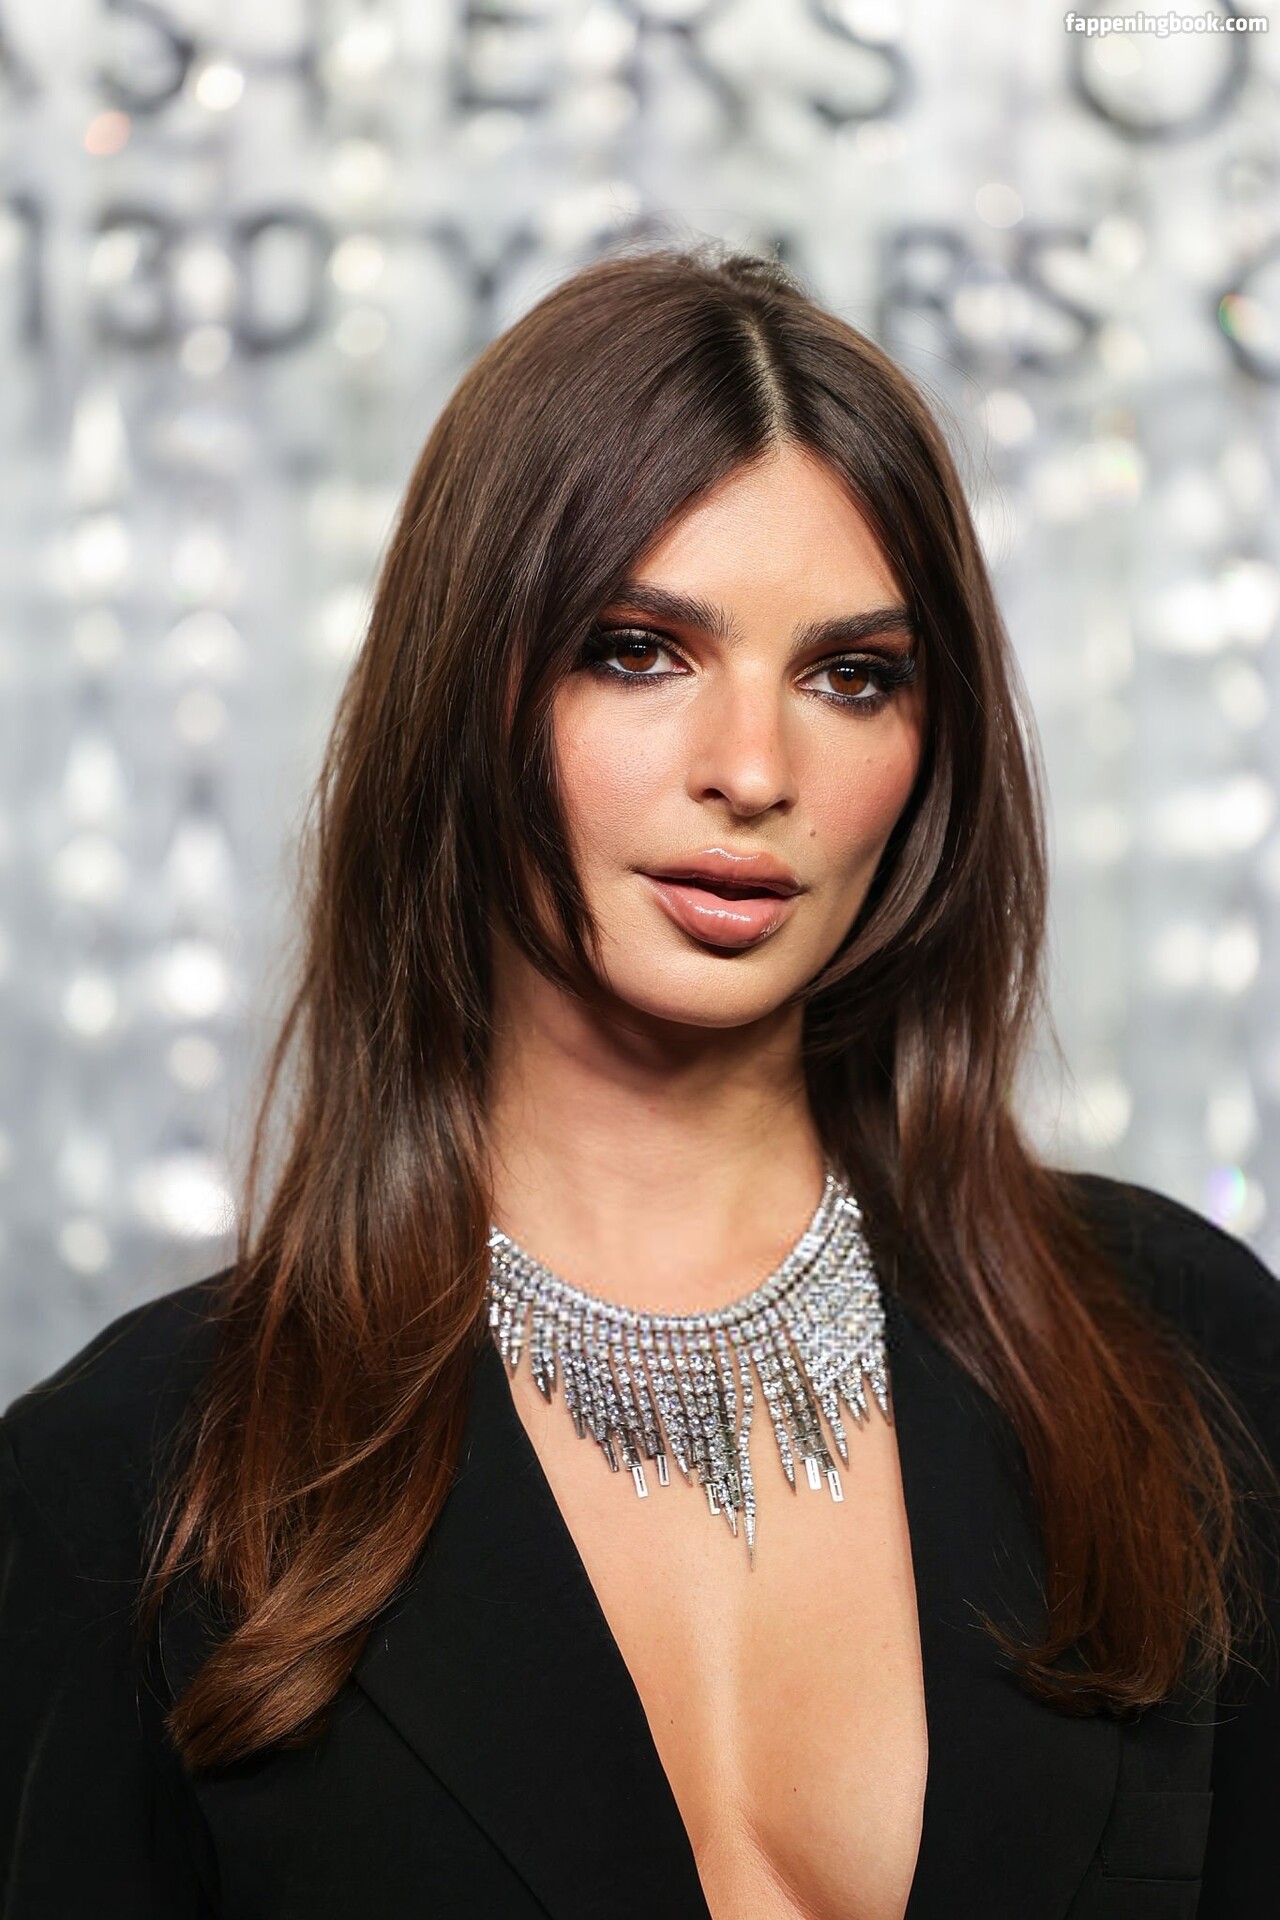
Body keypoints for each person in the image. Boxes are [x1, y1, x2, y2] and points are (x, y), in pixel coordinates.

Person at [2, 243, 1278, 1920]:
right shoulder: (125, 1490)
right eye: (635, 649)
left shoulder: (1182, 1352)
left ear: (932, 747)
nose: (753, 769)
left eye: (852, 676)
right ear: (466, 693)